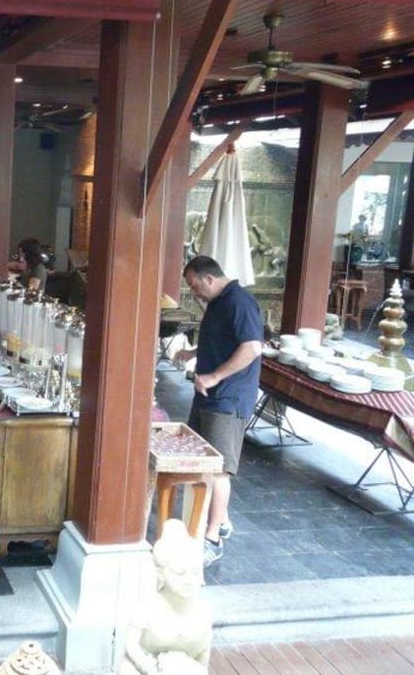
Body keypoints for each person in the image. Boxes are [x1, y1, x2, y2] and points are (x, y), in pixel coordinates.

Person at [174, 256, 262, 567]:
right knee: (201, 459)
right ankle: (220, 520)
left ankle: (212, 539)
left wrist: (214, 376)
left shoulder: (240, 302)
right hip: (207, 395)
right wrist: (193, 353)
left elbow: (251, 347)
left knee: (218, 469)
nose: (193, 291)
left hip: (228, 398)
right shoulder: (217, 302)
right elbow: (223, 341)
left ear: (208, 278)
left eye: (193, 285)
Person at [119, 519, 211, 675]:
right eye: (179, 573)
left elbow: (203, 659)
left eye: (195, 573)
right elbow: (130, 645)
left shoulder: (203, 612)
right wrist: (148, 668)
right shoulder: (147, 605)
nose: (189, 580)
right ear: (161, 573)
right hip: (146, 666)